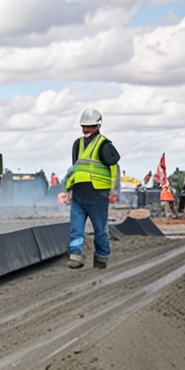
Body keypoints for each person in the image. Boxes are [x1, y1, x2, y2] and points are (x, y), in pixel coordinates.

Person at [63, 107, 120, 269]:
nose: (86, 129)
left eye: (90, 126)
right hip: (79, 194)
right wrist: (68, 189)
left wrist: (113, 191)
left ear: (99, 126)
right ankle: (75, 255)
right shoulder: (77, 144)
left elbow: (114, 168)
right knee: (76, 228)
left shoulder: (104, 145)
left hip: (98, 195)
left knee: (100, 230)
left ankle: (101, 257)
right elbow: (75, 168)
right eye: (83, 126)